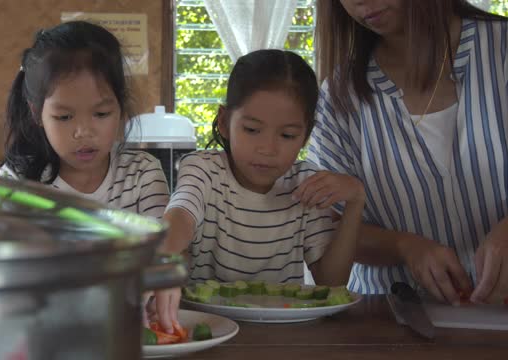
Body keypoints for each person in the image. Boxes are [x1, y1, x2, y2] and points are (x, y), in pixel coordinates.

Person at [309, 0, 508, 305]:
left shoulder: (501, 47)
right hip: (390, 320)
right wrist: (403, 246)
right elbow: (327, 228)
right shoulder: (340, 95)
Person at [152, 49, 366, 326]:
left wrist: (355, 201)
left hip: (283, 335)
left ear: (306, 135)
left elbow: (332, 281)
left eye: (287, 135)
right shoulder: (202, 168)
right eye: (252, 130)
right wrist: (165, 260)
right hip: (208, 327)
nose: (268, 149)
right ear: (225, 122)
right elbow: (181, 213)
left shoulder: (307, 184)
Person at [0, 20, 175, 330]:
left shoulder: (142, 174)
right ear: (37, 113)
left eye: (101, 114)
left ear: (121, 106)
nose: (83, 132)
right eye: (64, 117)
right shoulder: (18, 180)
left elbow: (162, 248)